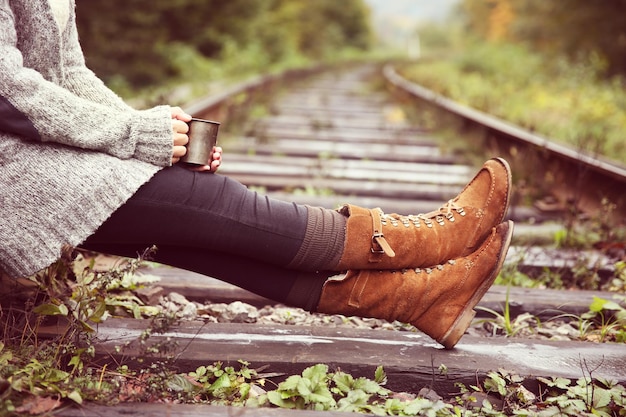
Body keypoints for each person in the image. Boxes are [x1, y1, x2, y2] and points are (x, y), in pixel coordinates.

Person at [0, 0, 514, 349]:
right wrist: (132, 135)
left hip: (31, 154)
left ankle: (421, 301)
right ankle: (428, 242)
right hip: (13, 167)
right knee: (214, 205)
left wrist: (145, 132)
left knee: (192, 229)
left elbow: (66, 75)